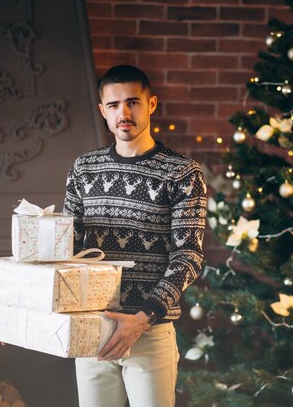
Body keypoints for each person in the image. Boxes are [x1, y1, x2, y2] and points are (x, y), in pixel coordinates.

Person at [63, 64, 207, 407]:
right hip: (92, 331)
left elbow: (189, 256)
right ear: (102, 111)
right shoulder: (83, 170)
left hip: (149, 331)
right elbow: (64, 248)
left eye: (133, 102)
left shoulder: (183, 173)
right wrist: (24, 311)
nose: (123, 113)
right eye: (113, 105)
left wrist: (142, 320)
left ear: (151, 104)